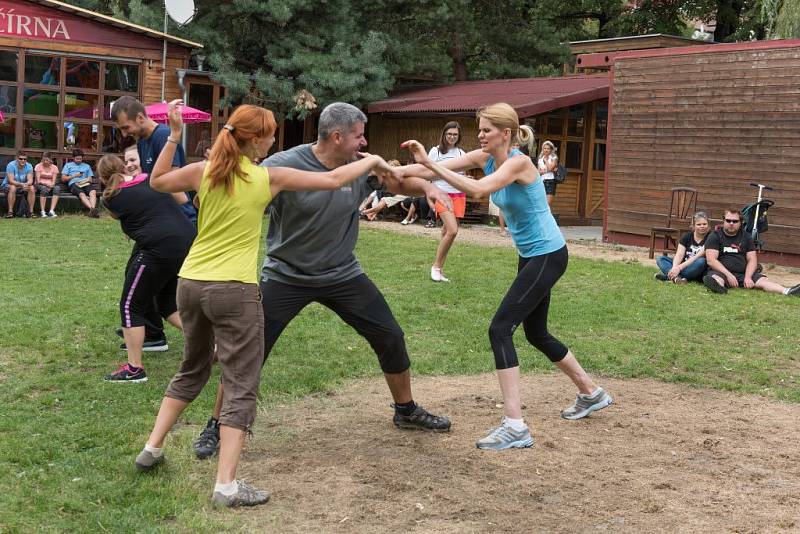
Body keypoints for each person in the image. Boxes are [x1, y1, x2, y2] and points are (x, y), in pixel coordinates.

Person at [133, 102, 401, 508]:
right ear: (255, 140)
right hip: (233, 291)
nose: (275, 141)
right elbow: (332, 181)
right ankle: (226, 485)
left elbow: (157, 182)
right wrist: (374, 161)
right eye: (271, 134)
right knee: (241, 383)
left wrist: (172, 136)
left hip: (189, 284)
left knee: (192, 368)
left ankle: (152, 447)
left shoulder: (205, 171)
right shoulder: (266, 177)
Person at [190, 102, 453, 463]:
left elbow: (398, 180)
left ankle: (405, 409)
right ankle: (217, 424)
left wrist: (427, 188)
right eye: (359, 135)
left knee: (389, 335)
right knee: (248, 352)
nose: (365, 141)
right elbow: (241, 192)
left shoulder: (358, 165)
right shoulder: (283, 164)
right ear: (337, 136)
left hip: (342, 273)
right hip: (285, 275)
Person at [399, 102, 613, 450]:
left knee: (500, 330)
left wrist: (428, 165)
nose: (480, 135)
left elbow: (480, 191)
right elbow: (432, 170)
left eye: (486, 129)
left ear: (506, 133)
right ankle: (590, 392)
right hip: (532, 256)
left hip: (548, 254)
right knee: (536, 332)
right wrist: (381, 167)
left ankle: (515, 426)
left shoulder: (519, 162)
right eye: (479, 129)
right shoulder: (482, 158)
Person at [97, 150, 195, 383]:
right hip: (187, 241)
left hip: (158, 248)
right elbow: (182, 199)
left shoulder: (110, 196)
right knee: (167, 303)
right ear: (123, 166)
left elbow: (119, 215)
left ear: (102, 177)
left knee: (131, 306)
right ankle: (211, 343)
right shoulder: (151, 179)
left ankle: (134, 369)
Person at [112, 96, 192, 352]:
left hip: (178, 221)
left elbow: (173, 182)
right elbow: (151, 184)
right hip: (162, 224)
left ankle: (149, 332)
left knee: (145, 283)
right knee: (143, 280)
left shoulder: (163, 136)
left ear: (139, 117)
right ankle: (148, 329)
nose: (125, 133)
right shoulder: (144, 142)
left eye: (126, 127)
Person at [703, 207, 800, 296]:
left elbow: (752, 259)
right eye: (728, 220)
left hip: (743, 273)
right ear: (723, 221)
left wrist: (748, 277)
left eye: (735, 221)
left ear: (740, 222)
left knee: (763, 281)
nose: (731, 223)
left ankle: (787, 291)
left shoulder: (746, 237)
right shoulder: (715, 236)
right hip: (721, 272)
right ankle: (720, 288)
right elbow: (711, 260)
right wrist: (729, 275)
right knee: (716, 278)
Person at [428, 121, 467, 282]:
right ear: (444, 134)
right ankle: (435, 267)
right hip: (441, 195)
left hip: (458, 195)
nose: (452, 137)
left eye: (455, 134)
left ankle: (439, 269)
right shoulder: (435, 151)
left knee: (446, 232)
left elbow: (461, 176)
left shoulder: (461, 153)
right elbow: (427, 174)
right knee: (453, 230)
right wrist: (429, 196)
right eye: (449, 134)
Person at [654, 211, 710, 284]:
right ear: (693, 226)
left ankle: (669, 277)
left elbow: (697, 257)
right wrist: (674, 267)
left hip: (696, 268)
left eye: (704, 224)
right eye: (699, 224)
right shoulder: (687, 236)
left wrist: (679, 268)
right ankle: (676, 278)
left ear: (708, 225)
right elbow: (679, 254)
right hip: (683, 266)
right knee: (660, 259)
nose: (702, 226)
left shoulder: (711, 237)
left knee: (702, 261)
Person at [61, 149, 99, 218]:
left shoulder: (87, 166)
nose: (79, 160)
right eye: (77, 159)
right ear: (73, 158)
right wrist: (74, 176)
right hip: (74, 184)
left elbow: (90, 179)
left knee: (93, 192)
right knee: (82, 194)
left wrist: (86, 180)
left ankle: (92, 210)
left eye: (80, 159)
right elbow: (63, 179)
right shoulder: (68, 165)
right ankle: (93, 210)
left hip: (85, 183)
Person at [3, 151, 35, 218]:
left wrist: (26, 184)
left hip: (22, 186)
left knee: (31, 188)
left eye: (24, 159)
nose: (23, 160)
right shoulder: (11, 165)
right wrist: (22, 185)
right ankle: (10, 212)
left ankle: (31, 212)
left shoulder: (29, 166)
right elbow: (11, 181)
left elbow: (30, 180)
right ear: (16, 158)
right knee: (13, 187)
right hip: (8, 185)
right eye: (20, 159)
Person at [34, 152, 60, 217]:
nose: (45, 162)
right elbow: (38, 180)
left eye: (47, 160)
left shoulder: (54, 168)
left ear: (50, 160)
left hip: (50, 185)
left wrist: (51, 185)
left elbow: (54, 181)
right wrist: (46, 184)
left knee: (57, 188)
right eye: (44, 160)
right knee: (44, 189)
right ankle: (43, 211)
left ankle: (51, 211)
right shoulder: (38, 166)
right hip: (40, 184)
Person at [537, 141, 558, 206]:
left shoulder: (554, 158)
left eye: (548, 148)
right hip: (541, 181)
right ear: (542, 149)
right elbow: (538, 172)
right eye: (544, 148)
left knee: (547, 204)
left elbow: (551, 168)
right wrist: (548, 170)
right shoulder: (540, 159)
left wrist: (546, 161)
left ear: (551, 150)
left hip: (550, 181)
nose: (546, 150)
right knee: (540, 203)